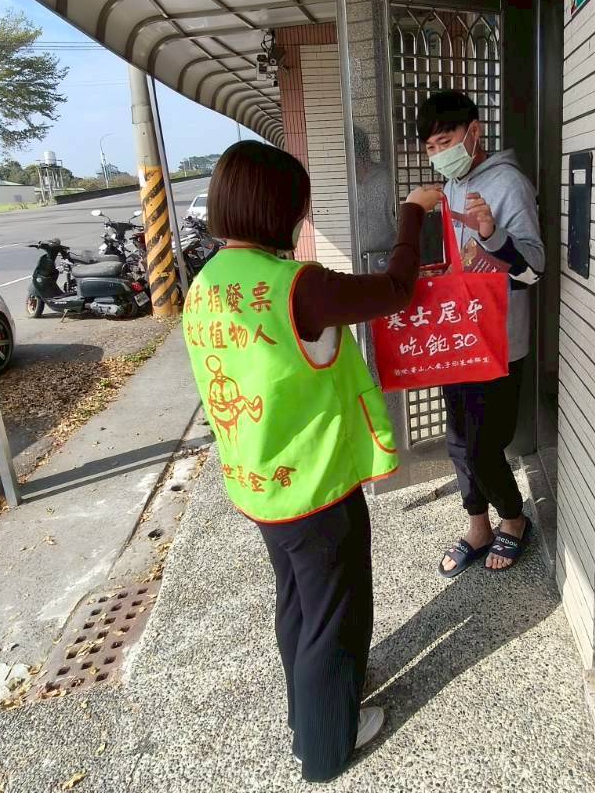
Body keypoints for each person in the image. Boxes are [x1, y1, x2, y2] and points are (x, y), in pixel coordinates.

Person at [182, 140, 443, 782]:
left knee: (298, 603)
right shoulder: (298, 286)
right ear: (280, 209)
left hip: (257, 482)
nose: (304, 216)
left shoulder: (207, 282)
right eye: (300, 205)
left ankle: (310, 713)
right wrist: (413, 212)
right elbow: (395, 290)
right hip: (317, 487)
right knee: (335, 616)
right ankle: (326, 749)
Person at [419, 91, 545, 577]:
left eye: (445, 141)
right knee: (457, 440)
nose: (439, 153)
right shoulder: (452, 185)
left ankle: (513, 519)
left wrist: (492, 236)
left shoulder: (509, 183)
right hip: (458, 337)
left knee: (483, 447)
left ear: (474, 131)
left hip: (498, 343)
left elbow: (533, 270)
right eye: (431, 147)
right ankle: (478, 526)